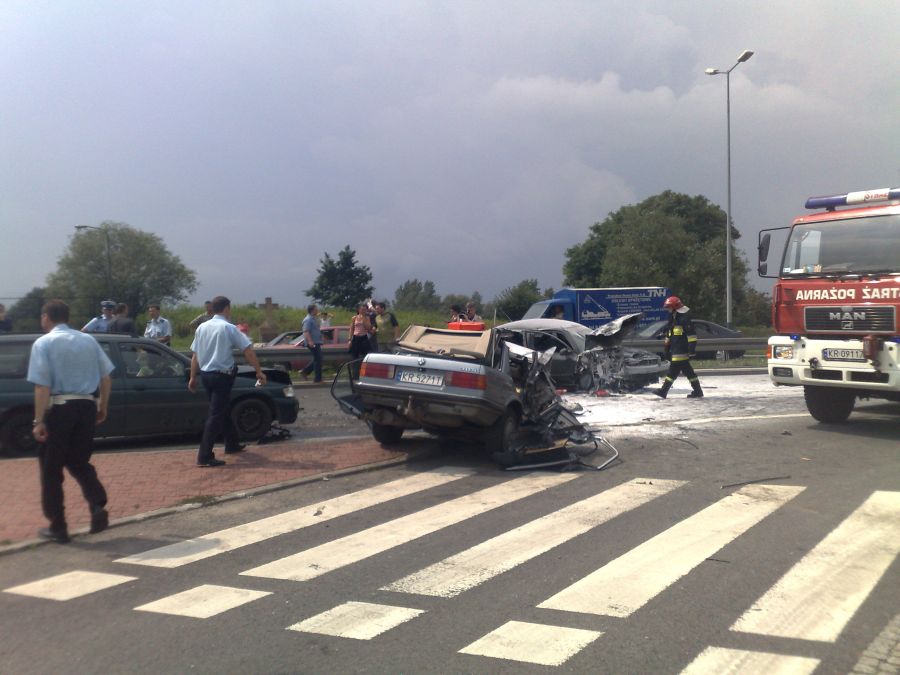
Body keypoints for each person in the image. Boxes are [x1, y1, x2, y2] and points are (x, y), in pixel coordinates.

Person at [26, 299, 114, 543]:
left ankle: (58, 526)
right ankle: (97, 503)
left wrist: (38, 420)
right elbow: (106, 378)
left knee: (51, 469)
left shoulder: (44, 343)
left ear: (46, 316)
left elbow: (42, 386)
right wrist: (102, 406)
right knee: (78, 460)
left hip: (60, 407)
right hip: (86, 406)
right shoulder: (89, 340)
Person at [189, 296, 267, 467]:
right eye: (229, 308)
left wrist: (193, 377)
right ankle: (204, 456)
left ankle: (232, 443)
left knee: (222, 408)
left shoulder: (202, 327)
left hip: (206, 375)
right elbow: (248, 350)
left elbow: (195, 354)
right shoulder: (228, 328)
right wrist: (258, 371)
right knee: (216, 414)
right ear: (226, 309)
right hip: (222, 376)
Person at [654, 295, 704, 399]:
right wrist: (665, 344)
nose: (667, 309)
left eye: (669, 307)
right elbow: (670, 334)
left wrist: (691, 350)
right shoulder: (673, 319)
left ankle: (663, 391)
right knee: (688, 372)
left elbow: (692, 336)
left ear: (674, 308)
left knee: (673, 371)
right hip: (675, 350)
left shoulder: (684, 319)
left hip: (681, 351)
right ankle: (698, 391)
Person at [299, 304, 324, 383]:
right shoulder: (308, 320)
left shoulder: (314, 319)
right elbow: (306, 331)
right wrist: (310, 341)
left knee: (318, 359)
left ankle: (305, 371)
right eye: (316, 309)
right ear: (312, 310)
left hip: (316, 341)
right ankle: (318, 379)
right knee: (318, 359)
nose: (317, 310)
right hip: (312, 342)